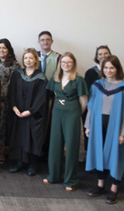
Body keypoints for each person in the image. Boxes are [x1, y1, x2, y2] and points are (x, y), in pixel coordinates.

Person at [84, 55, 124, 204]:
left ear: (117, 69)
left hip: (116, 126)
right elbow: (91, 107)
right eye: (105, 67)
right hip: (98, 124)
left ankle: (114, 188)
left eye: (112, 67)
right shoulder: (97, 85)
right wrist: (88, 126)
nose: (108, 70)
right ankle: (100, 185)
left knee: (115, 155)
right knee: (99, 152)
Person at [43, 52, 88, 191]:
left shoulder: (79, 80)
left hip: (72, 114)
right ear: (60, 64)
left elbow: (84, 101)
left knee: (72, 146)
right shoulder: (56, 78)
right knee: (55, 144)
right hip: (57, 113)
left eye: (69, 62)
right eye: (63, 62)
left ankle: (71, 180)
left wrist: (75, 113)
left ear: (73, 64)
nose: (66, 64)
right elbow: (53, 95)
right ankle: (54, 175)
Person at [7, 48, 48, 176]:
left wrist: (30, 111)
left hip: (33, 115)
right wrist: (14, 107)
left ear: (36, 60)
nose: (28, 60)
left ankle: (32, 164)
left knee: (32, 138)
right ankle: (20, 162)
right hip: (18, 113)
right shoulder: (17, 74)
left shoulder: (41, 78)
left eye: (31, 58)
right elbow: (11, 92)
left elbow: (42, 98)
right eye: (26, 58)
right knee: (19, 137)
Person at [0, 38, 20, 165]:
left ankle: (1, 152)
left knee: (4, 126)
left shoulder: (15, 65)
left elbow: (16, 84)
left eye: (4, 48)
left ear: (9, 50)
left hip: (7, 100)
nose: (1, 50)